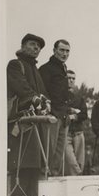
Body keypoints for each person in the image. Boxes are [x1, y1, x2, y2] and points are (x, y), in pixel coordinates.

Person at [7, 33, 49, 196]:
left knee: (35, 160)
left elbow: (42, 93)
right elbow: (21, 86)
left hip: (35, 118)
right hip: (20, 119)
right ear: (23, 46)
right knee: (21, 159)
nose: (36, 48)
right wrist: (34, 98)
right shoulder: (15, 65)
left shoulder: (35, 70)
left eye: (38, 47)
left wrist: (45, 103)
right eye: (32, 44)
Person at [39, 39, 71, 176]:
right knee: (48, 151)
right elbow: (42, 91)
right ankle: (43, 181)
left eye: (67, 51)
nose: (65, 53)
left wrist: (68, 111)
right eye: (62, 50)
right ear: (54, 50)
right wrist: (49, 111)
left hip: (63, 116)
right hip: (51, 116)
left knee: (59, 154)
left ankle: (54, 181)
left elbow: (62, 94)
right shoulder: (46, 68)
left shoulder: (63, 69)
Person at [63, 70, 88, 175]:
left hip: (78, 132)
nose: (71, 80)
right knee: (71, 160)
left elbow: (84, 115)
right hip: (65, 132)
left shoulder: (79, 98)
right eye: (68, 78)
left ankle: (77, 184)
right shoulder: (59, 95)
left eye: (73, 78)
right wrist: (72, 110)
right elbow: (60, 110)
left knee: (80, 161)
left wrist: (74, 115)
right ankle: (80, 176)